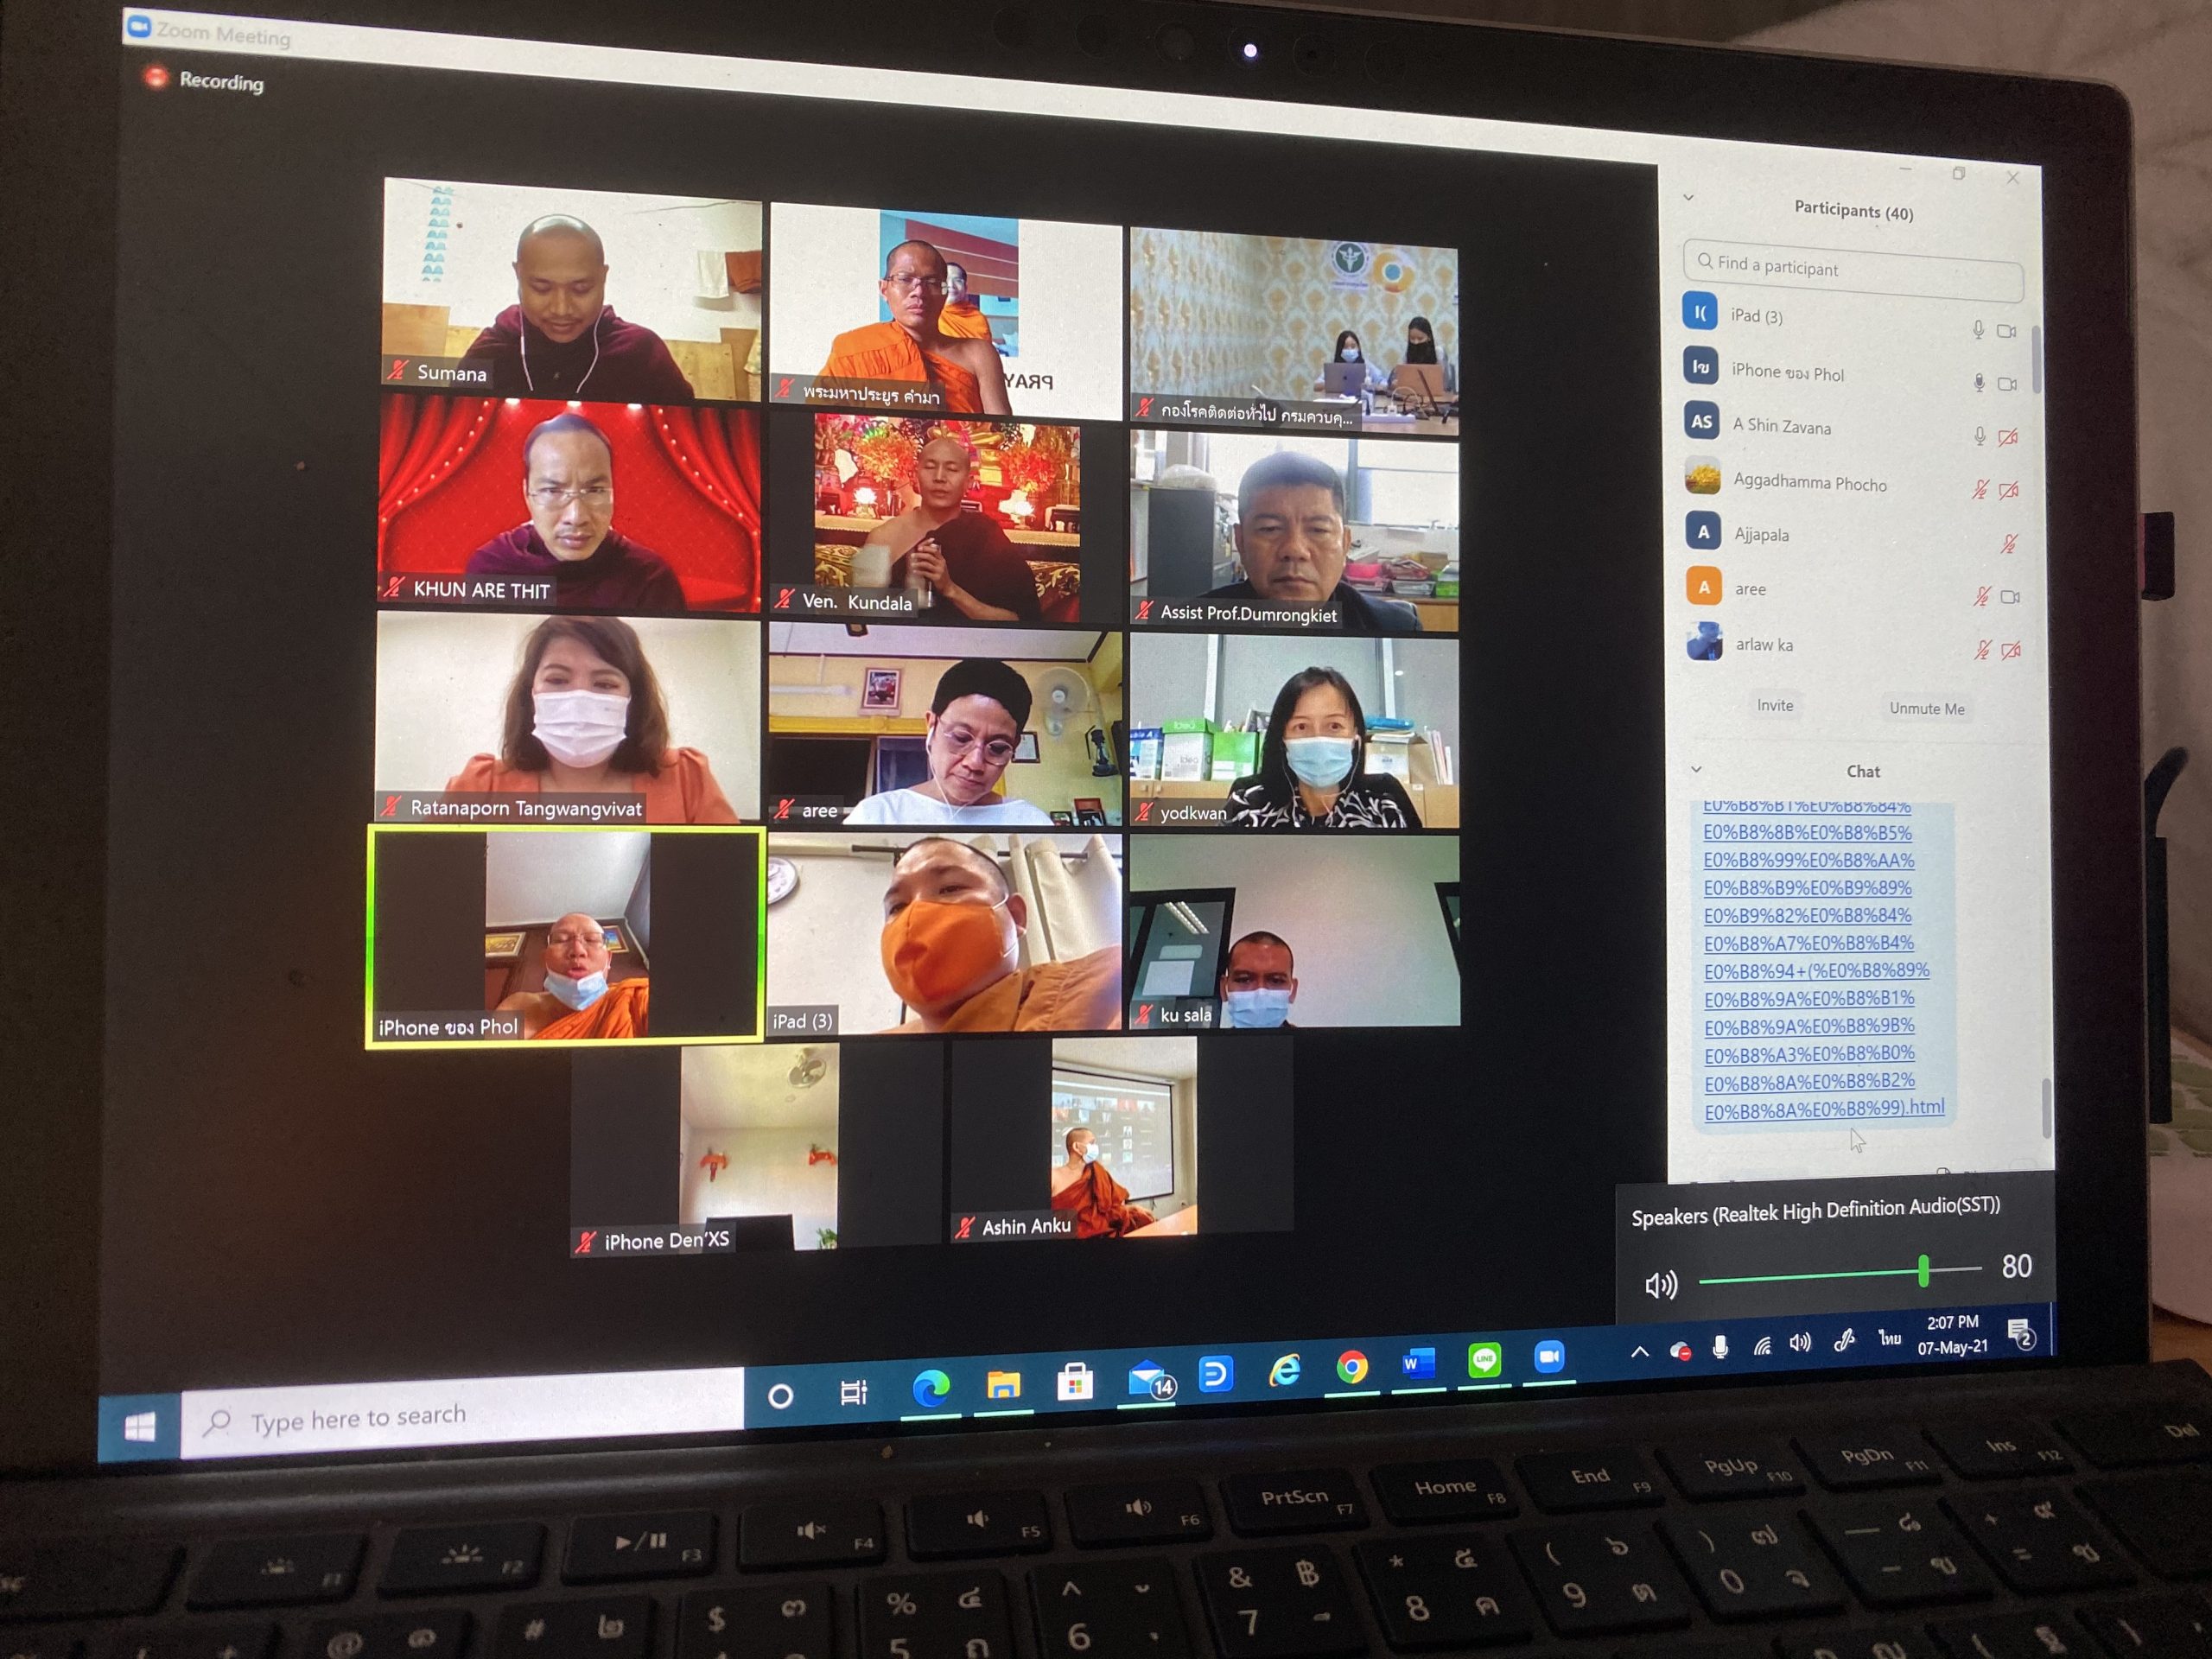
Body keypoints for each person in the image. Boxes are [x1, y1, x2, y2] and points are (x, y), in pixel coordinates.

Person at [445, 616, 738, 823]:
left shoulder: (687, 779)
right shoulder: (481, 787)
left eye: (605, 684)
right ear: (530, 692)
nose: (579, 698)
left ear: (632, 699)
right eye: (557, 679)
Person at [876, 837, 1122, 1033]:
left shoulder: (1111, 984)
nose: (915, 915)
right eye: (897, 907)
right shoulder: (878, 1053)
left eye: (950, 888)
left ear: (1016, 917)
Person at [464, 413, 688, 612]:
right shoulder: (491, 567)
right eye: (553, 491)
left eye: (594, 490)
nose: (576, 517)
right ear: (527, 494)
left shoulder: (649, 579)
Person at [459, 215, 696, 403]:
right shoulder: (490, 353)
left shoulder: (641, 354)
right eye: (542, 288)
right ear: (518, 275)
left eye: (581, 289)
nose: (561, 309)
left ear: (603, 278)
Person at [1199, 451, 1421, 633]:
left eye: (1318, 530)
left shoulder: (1395, 626)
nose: (1294, 549)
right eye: (1270, 529)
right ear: (1241, 541)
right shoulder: (1195, 620)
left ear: (1345, 544)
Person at [844, 658, 1057, 825]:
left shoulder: (1030, 822)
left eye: (998, 748)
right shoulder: (877, 815)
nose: (974, 763)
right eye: (961, 738)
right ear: (932, 724)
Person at [856, 435, 1041, 621]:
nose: (939, 478)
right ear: (915, 475)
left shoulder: (986, 537)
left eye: (951, 469)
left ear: (968, 482)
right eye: (930, 467)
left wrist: (950, 589)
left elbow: (1018, 622)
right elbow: (864, 616)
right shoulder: (882, 538)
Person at [817, 240, 1012, 415]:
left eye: (932, 282)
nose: (919, 292)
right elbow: (822, 428)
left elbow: (1005, 435)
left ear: (944, 293)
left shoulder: (979, 355)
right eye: (904, 279)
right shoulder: (851, 348)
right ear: (884, 290)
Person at [1226, 666, 1421, 830]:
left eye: (1334, 726)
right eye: (1301, 727)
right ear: (1282, 738)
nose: (1318, 738)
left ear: (1355, 735)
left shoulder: (1385, 807)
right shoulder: (1247, 807)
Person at [497, 912, 649, 1039]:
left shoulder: (635, 998)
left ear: (608, 959)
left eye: (591, 940)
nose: (577, 950)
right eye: (562, 940)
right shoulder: (518, 1005)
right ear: (545, 960)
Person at [1049, 1127, 1156, 1237]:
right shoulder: (1054, 1175)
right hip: (1069, 1233)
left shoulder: (1096, 1170)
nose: (1095, 1147)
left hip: (1100, 1227)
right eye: (1092, 1143)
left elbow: (1115, 1201)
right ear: (1077, 1147)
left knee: (1141, 1218)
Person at [1218, 931, 1299, 1029]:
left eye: (1276, 981)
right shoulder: (1206, 1039)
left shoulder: (1312, 1039)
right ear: (1223, 989)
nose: (1260, 993)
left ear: (1293, 990)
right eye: (1244, 979)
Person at [935, 262, 995, 341]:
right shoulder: (929, 315)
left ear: (965, 288)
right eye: (945, 280)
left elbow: (985, 348)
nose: (951, 285)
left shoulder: (978, 319)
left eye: (957, 280)